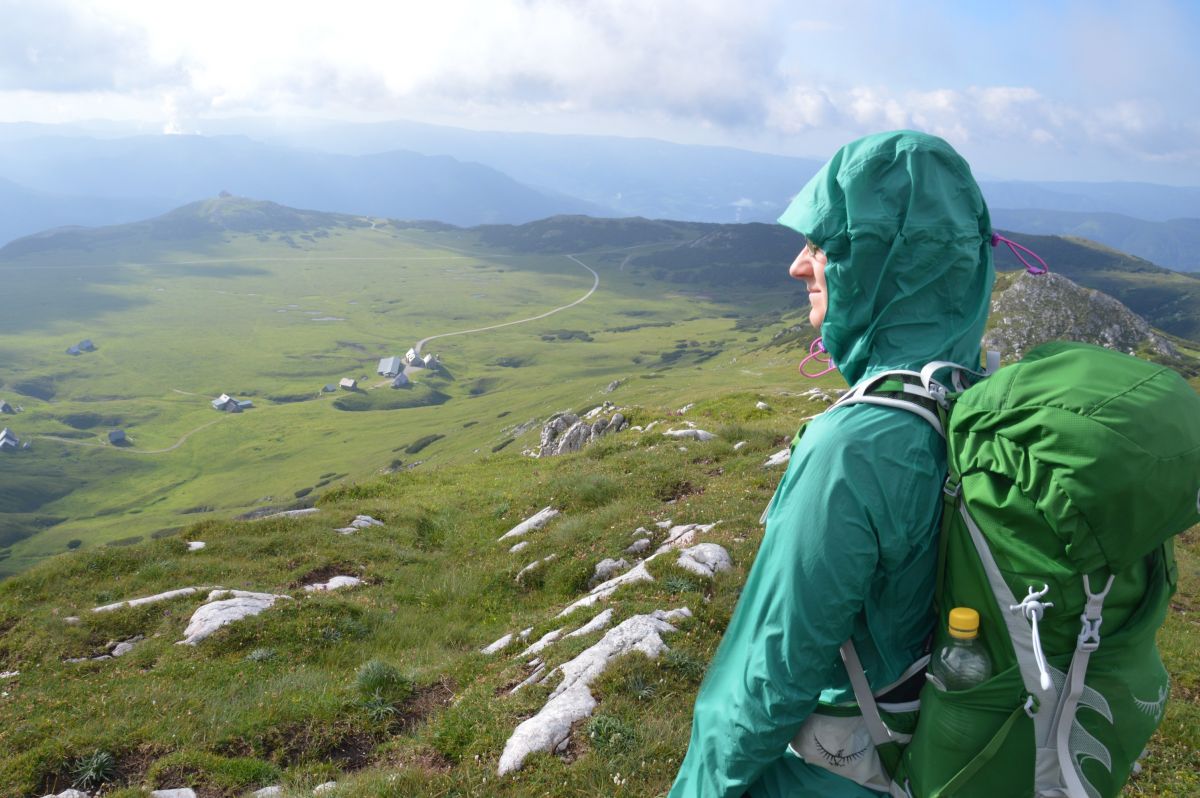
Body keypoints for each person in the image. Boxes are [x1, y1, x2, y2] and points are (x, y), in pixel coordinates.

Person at [668, 130, 996, 797]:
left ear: (881, 261)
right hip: (943, 749)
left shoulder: (856, 447)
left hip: (850, 773)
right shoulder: (974, 396)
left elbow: (766, 680)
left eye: (824, 246)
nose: (798, 265)